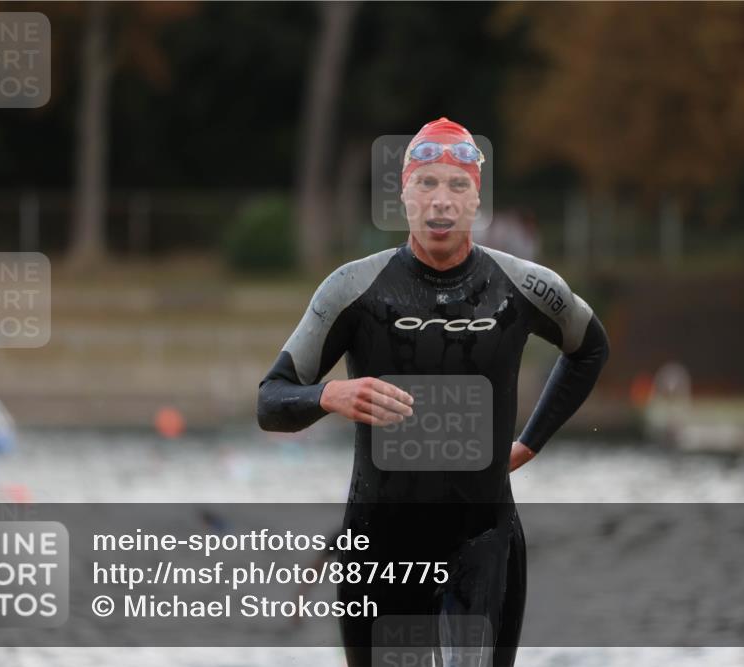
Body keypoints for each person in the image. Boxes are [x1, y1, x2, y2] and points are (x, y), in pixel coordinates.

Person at [257, 117, 609, 666]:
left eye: (457, 185)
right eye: (427, 184)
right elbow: (271, 400)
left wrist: (531, 441)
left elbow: (589, 349)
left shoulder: (523, 286)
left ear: (477, 200)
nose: (441, 201)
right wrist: (330, 397)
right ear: (404, 195)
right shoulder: (354, 289)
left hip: (482, 543)